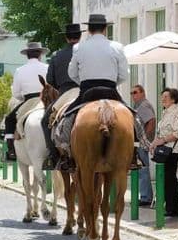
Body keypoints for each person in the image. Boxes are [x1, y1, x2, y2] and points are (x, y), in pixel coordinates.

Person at [56, 14, 149, 171]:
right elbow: (124, 75)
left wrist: (83, 83)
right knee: (134, 117)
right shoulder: (117, 47)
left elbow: (72, 73)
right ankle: (134, 153)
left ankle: (65, 153)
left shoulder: (79, 47)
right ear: (105, 29)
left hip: (87, 91)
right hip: (110, 90)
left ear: (89, 30)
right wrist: (113, 83)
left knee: (67, 117)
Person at [41, 23, 83, 170]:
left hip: (65, 93)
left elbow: (50, 80)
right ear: (80, 36)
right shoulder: (85, 52)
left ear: (66, 38)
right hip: (86, 91)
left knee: (45, 121)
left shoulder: (57, 55)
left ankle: (54, 157)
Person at [4, 42, 48, 160]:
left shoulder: (20, 70)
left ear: (27, 55)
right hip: (44, 101)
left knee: (9, 119)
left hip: (28, 100)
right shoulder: (46, 67)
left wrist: (22, 98)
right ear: (40, 55)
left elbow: (16, 93)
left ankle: (11, 150)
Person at [149, 88, 178, 217]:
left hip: (173, 150)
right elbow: (161, 132)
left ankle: (172, 209)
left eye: (166, 97)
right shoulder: (165, 112)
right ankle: (169, 206)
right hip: (164, 149)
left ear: (173, 99)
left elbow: (177, 133)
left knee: (170, 178)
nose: (162, 99)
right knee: (167, 178)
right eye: (162, 96)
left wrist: (162, 140)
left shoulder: (176, 111)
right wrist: (155, 143)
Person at [131, 84, 156, 207]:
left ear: (142, 93)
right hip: (139, 142)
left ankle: (146, 197)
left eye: (135, 92)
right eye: (131, 93)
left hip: (142, 143)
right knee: (141, 169)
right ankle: (146, 195)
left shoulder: (144, 105)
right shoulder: (138, 105)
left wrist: (144, 138)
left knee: (143, 169)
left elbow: (151, 121)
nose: (133, 95)